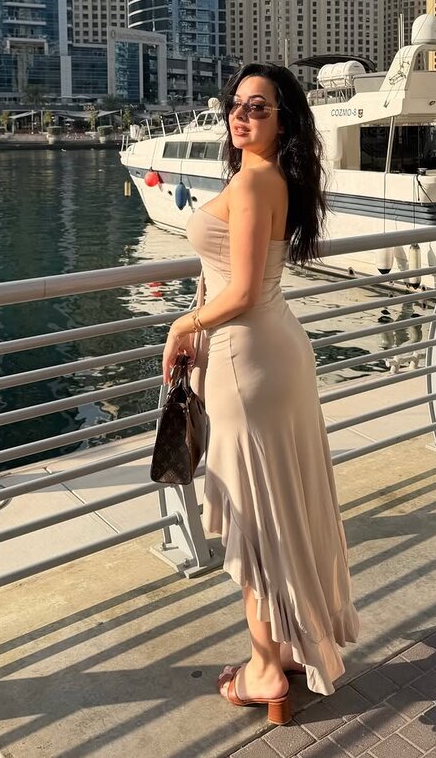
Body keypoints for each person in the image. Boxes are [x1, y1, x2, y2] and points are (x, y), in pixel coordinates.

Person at [162, 63, 360, 725]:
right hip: (273, 354)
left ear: (284, 120)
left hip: (248, 362)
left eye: (258, 107)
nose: (240, 116)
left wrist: (183, 325)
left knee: (256, 517)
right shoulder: (270, 178)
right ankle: (296, 644)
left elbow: (242, 291)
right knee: (284, 508)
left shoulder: (253, 183)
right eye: (235, 104)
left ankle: (266, 670)